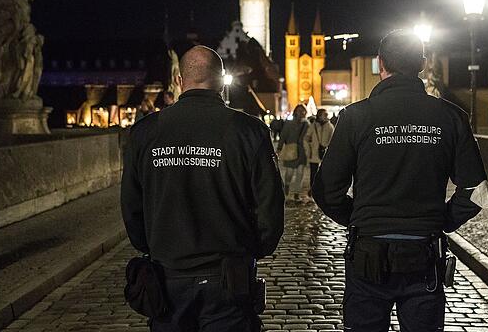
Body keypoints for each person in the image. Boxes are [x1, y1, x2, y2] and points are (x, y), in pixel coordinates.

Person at [312, 30, 488, 331]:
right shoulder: (450, 117)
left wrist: (360, 219)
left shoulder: (356, 117)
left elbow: (325, 190)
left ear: (380, 64)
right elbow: (477, 190)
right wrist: (444, 220)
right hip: (423, 253)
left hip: (368, 253)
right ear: (422, 64)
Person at [121, 45, 285, 331]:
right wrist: (254, 249)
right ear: (221, 81)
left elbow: (131, 206)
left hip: (168, 274)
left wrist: (151, 246)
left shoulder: (146, 132)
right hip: (228, 274)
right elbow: (270, 206)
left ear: (179, 80)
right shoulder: (249, 130)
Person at [277, 104, 309, 202]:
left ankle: (296, 193)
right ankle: (286, 188)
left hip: (302, 151)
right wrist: (279, 148)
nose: (302, 113)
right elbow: (283, 136)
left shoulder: (307, 124)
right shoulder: (289, 123)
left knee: (300, 174)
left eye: (303, 111)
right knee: (289, 173)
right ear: (295, 112)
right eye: (300, 111)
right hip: (291, 149)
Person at [304, 108, 334, 193]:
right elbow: (306, 138)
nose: (326, 116)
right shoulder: (313, 126)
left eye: (326, 114)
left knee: (324, 173)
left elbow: (333, 140)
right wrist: (308, 150)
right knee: (313, 172)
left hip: (325, 153)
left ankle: (322, 189)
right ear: (319, 115)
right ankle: (313, 189)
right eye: (324, 114)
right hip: (313, 153)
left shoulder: (330, 126)